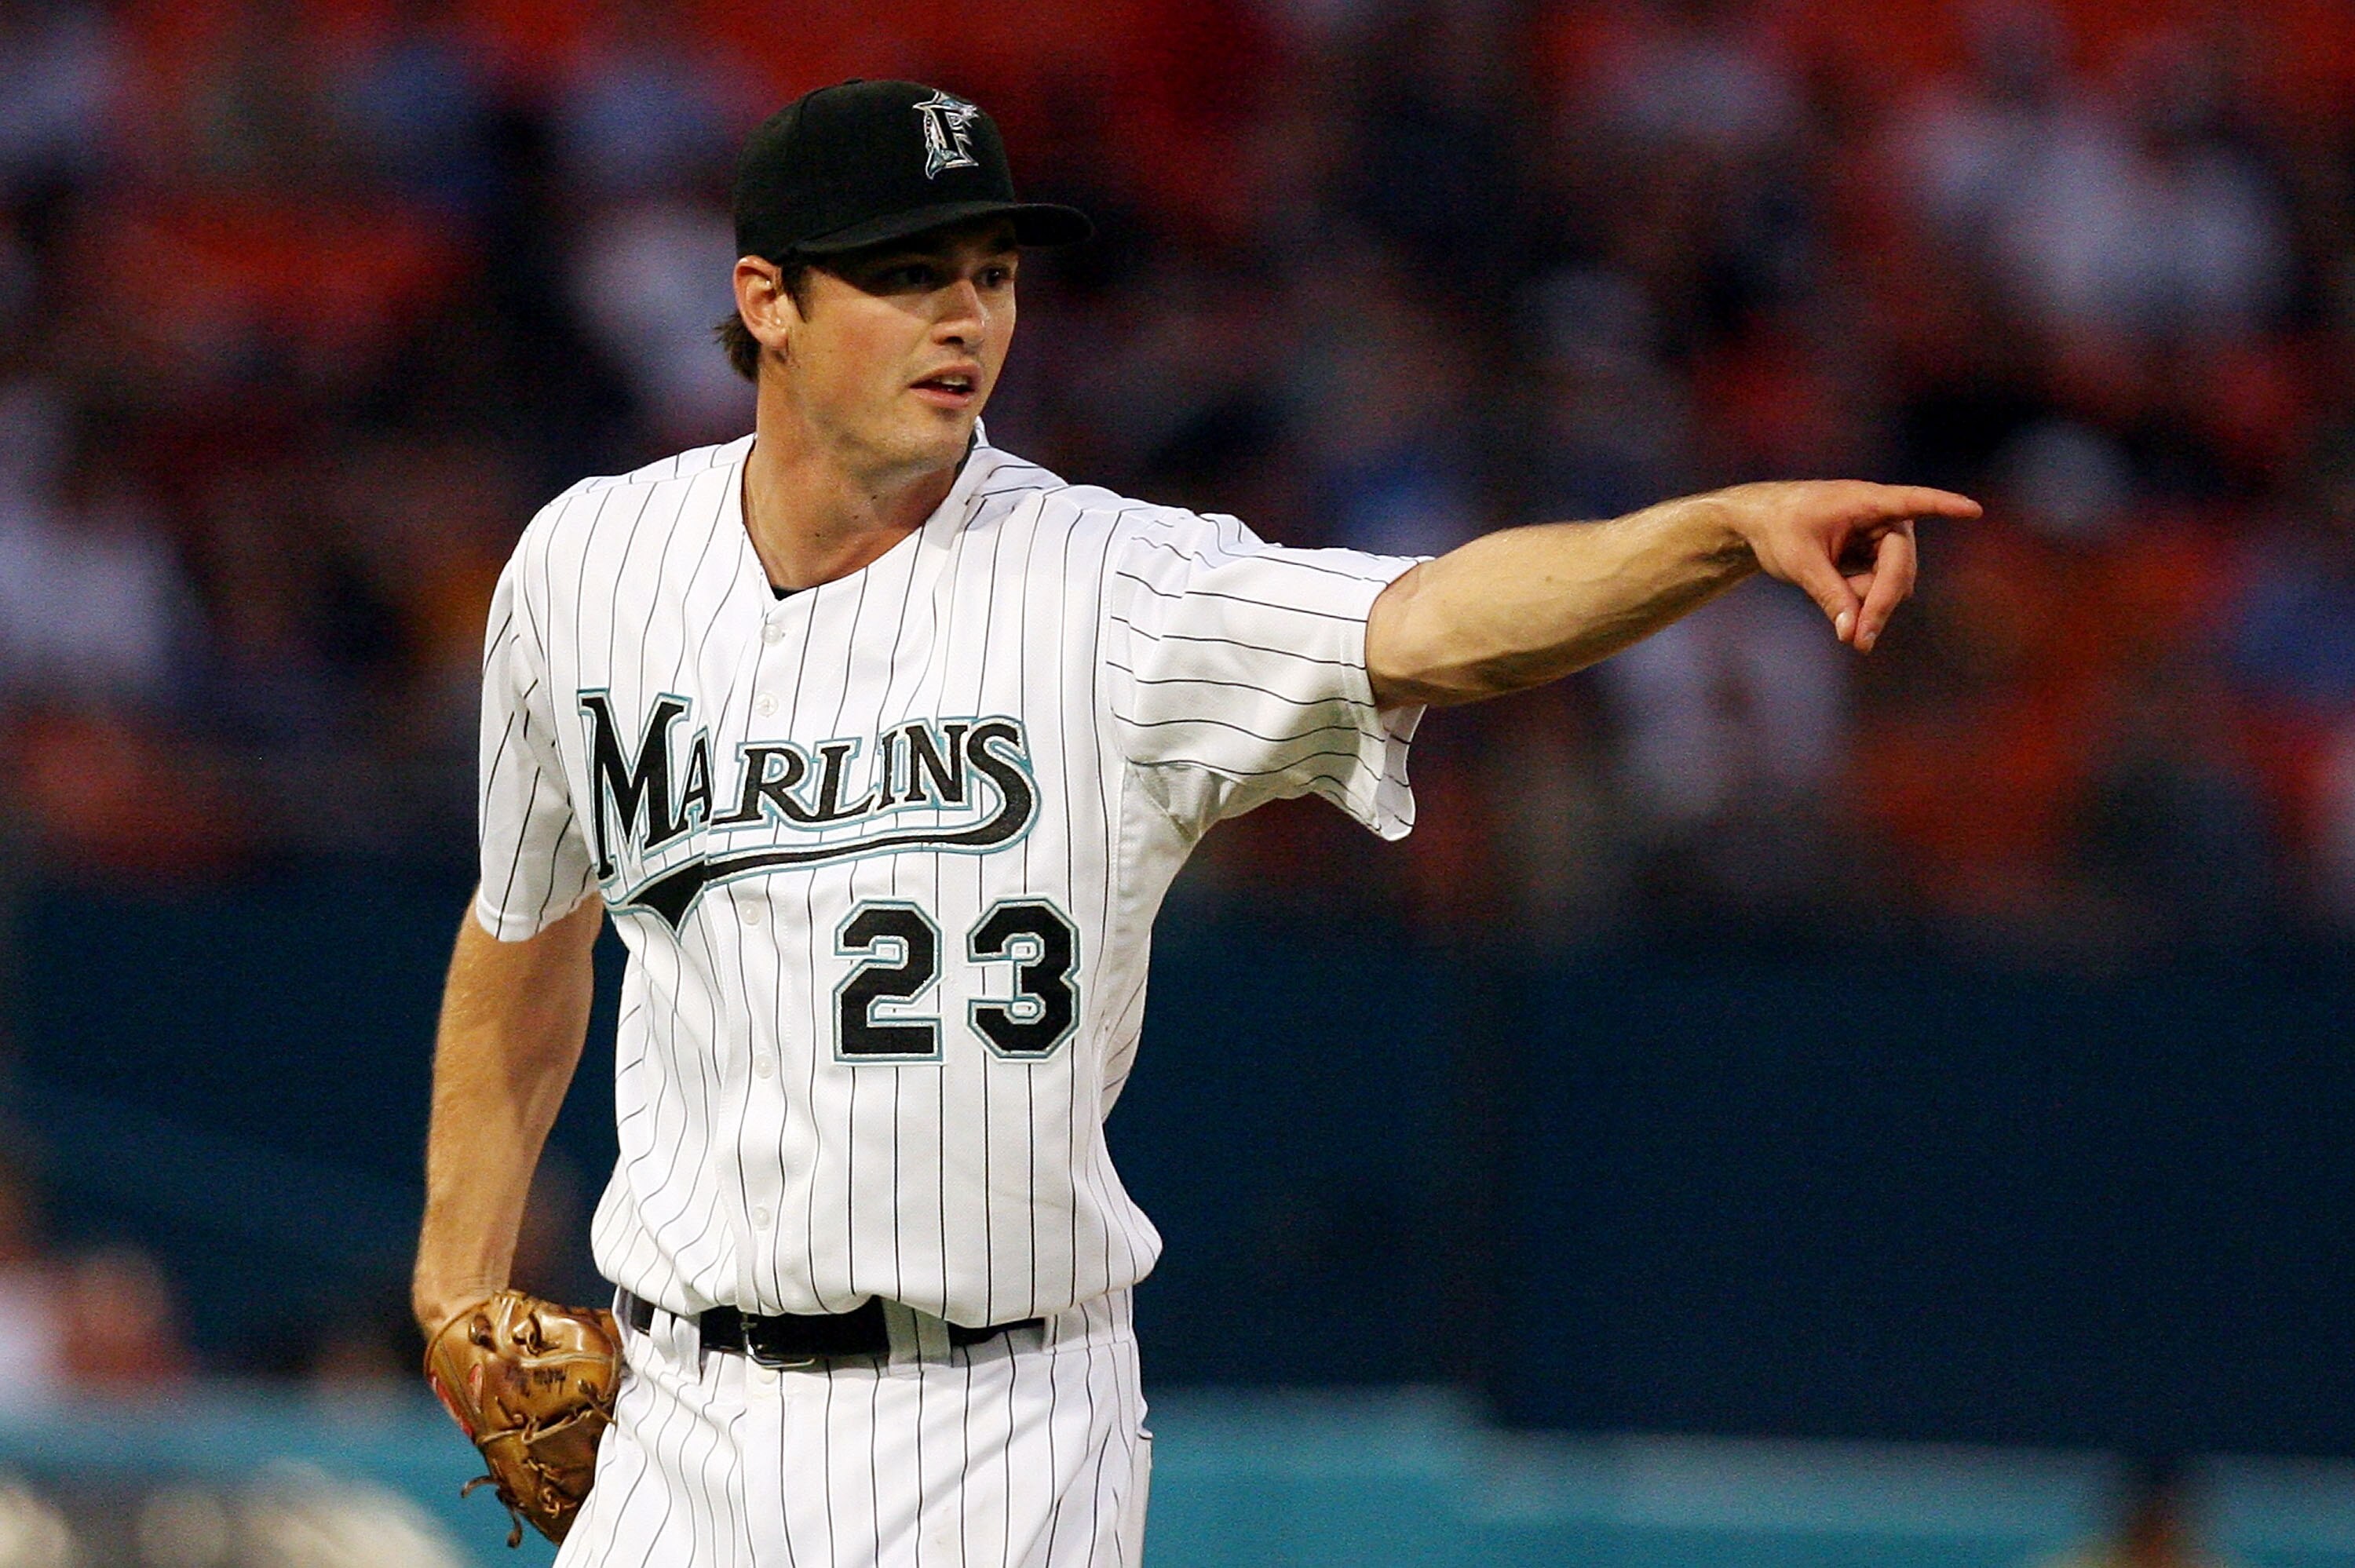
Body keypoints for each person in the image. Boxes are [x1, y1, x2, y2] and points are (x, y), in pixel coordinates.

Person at [411, 78, 1977, 1566]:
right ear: (770, 299)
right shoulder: (589, 571)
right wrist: (452, 1280)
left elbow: (1435, 621)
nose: (966, 317)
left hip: (993, 1426)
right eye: (908, 274)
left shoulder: (1114, 591)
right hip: (680, 1417)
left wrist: (1712, 535)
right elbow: (527, 929)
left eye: (994, 272)